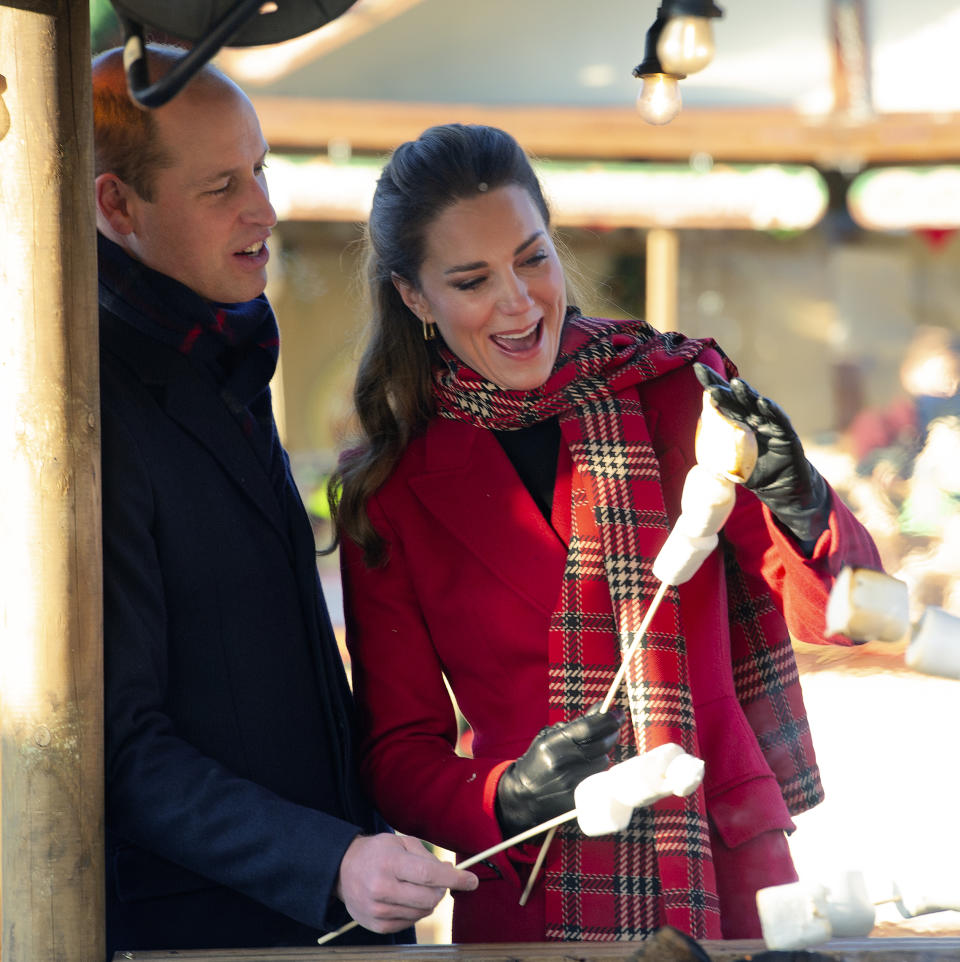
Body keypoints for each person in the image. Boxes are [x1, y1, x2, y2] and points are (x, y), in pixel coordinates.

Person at [330, 123, 883, 944]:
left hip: (727, 871)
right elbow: (398, 750)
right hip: (537, 885)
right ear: (415, 297)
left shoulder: (680, 391)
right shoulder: (390, 487)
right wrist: (504, 795)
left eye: (533, 257)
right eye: (473, 279)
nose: (519, 302)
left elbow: (848, 614)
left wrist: (799, 494)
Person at [92, 47, 477, 958]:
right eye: (222, 185)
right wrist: (329, 860)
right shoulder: (88, 405)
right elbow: (116, 748)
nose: (263, 210)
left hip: (326, 915)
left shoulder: (210, 341)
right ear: (116, 206)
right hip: (207, 931)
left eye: (260, 169)